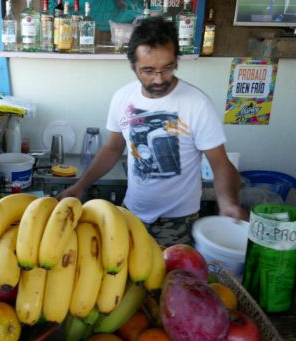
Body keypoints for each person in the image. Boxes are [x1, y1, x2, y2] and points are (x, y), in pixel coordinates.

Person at [58, 17, 247, 247]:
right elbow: (113, 149)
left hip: (177, 223)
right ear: (133, 65)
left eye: (167, 68)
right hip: (131, 214)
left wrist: (228, 202)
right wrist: (80, 185)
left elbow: (220, 163)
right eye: (148, 70)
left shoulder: (197, 104)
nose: (159, 79)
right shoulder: (122, 98)